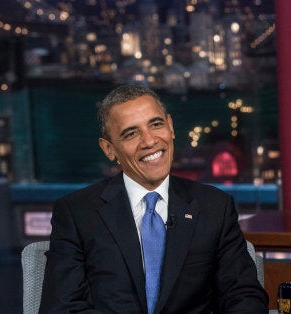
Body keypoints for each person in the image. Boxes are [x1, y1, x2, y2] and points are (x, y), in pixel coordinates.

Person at [40, 84, 268, 313]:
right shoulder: (76, 213)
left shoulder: (215, 207)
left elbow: (244, 296)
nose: (149, 141)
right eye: (131, 133)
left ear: (170, 126)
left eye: (156, 124)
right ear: (109, 149)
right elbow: (61, 307)